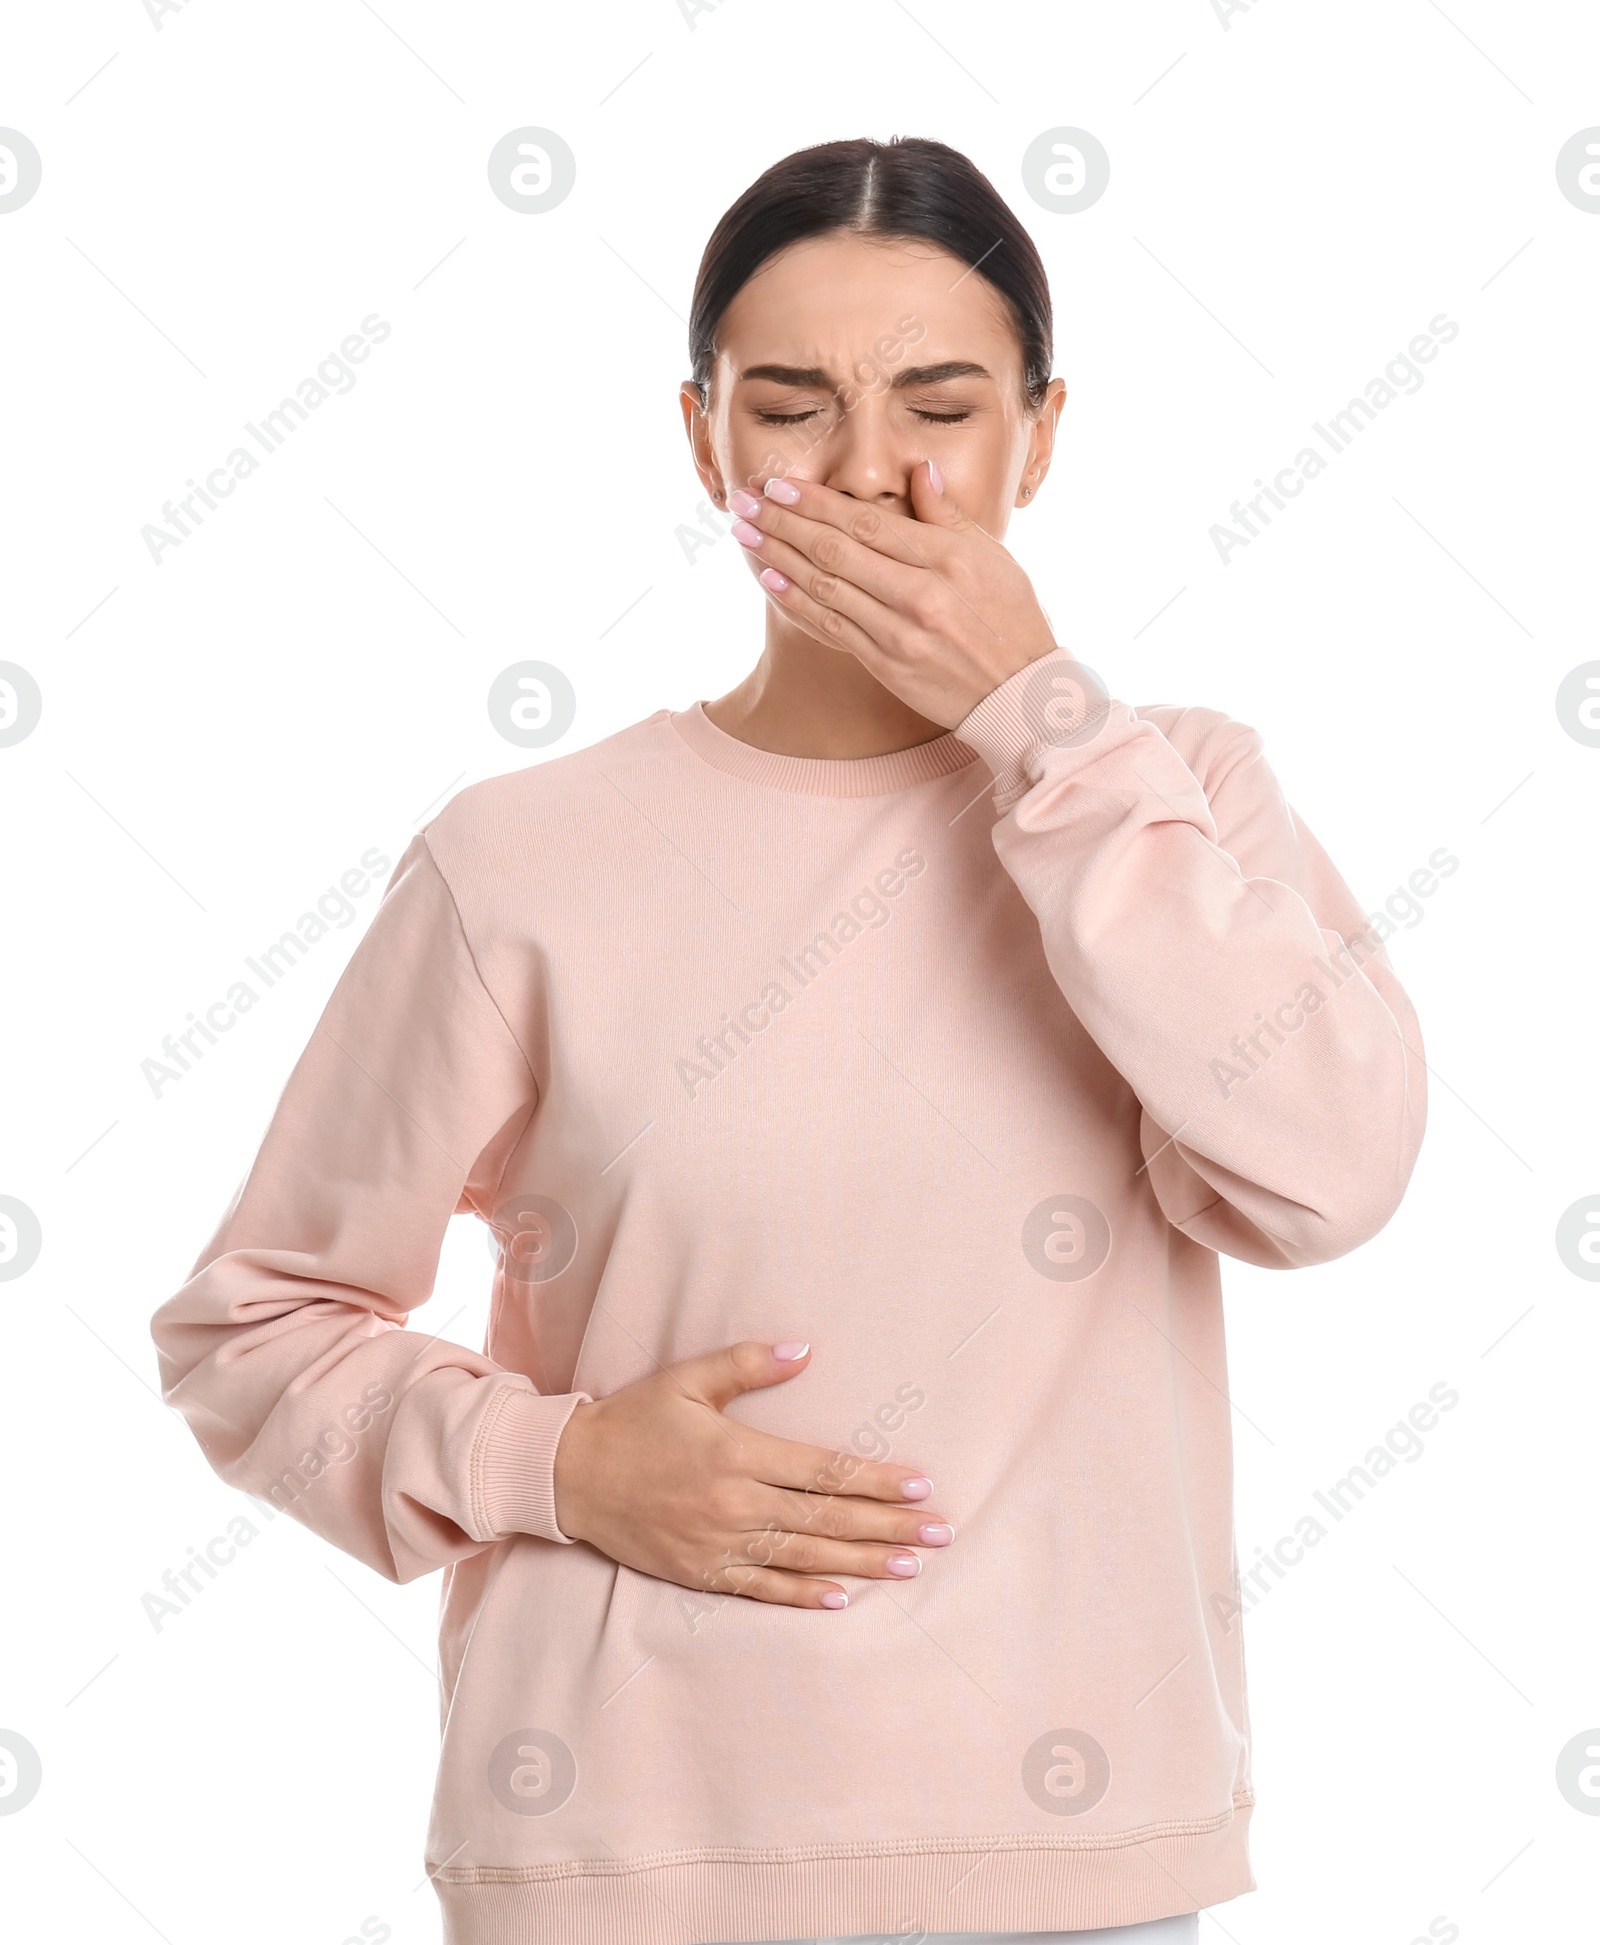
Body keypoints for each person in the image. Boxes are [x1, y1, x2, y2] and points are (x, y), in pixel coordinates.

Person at [151, 136, 1427, 1945]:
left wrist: (1041, 725)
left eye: (940, 403)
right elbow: (248, 1325)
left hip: (1068, 1861)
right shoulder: (521, 857)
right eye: (790, 405)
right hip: (620, 1859)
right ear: (702, 441)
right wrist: (558, 1463)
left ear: (1041, 438)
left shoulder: (1173, 792)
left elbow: (1330, 1176)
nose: (865, 474)